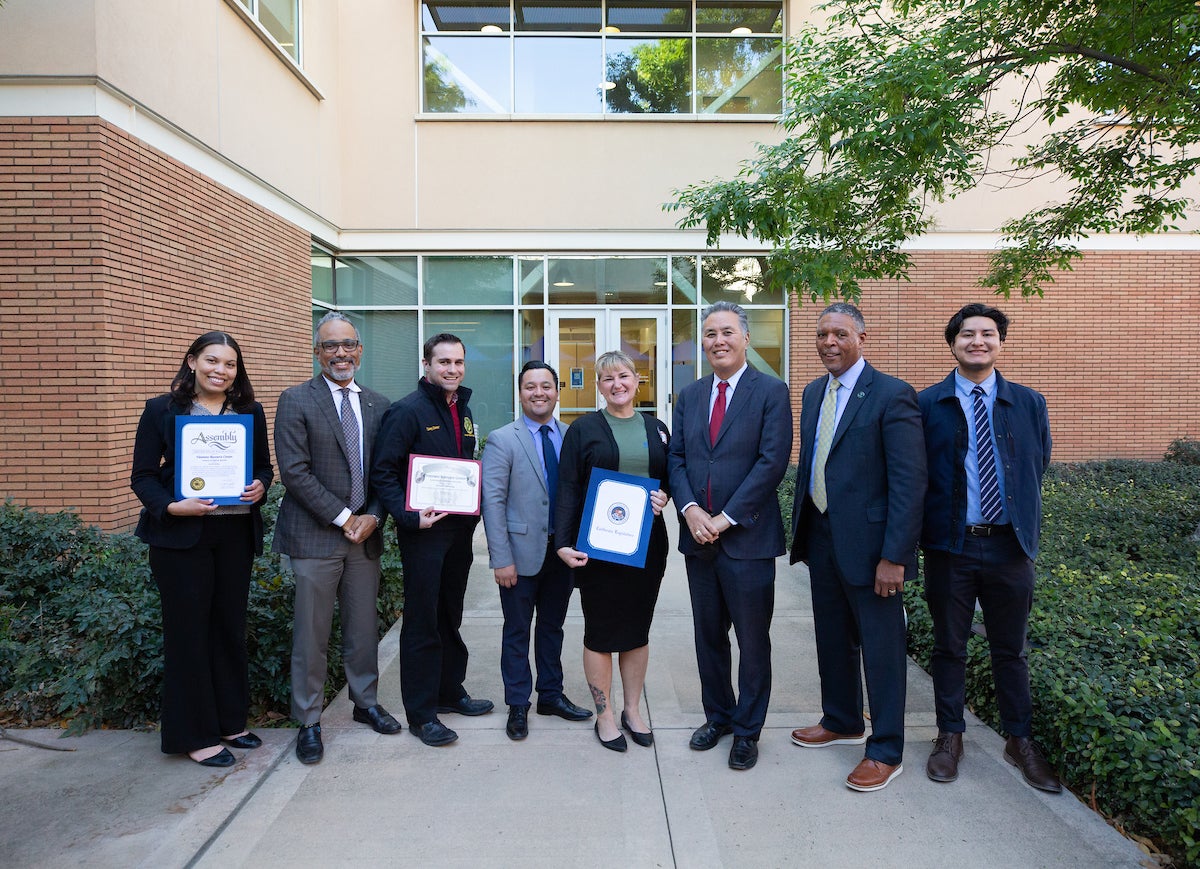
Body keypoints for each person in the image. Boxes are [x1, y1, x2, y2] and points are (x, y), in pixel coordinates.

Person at [919, 303, 1061, 793]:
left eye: (987, 334)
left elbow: (1035, 466)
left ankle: (1019, 740)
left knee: (1011, 649)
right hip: (950, 547)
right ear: (952, 343)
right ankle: (949, 737)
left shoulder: (1028, 403)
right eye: (967, 335)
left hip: (1010, 546)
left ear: (1000, 342)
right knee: (949, 647)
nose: (977, 342)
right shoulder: (927, 404)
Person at [788, 303, 926, 792]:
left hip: (874, 550)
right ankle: (843, 719)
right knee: (831, 636)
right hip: (823, 536)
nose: (829, 342)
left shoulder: (891, 395)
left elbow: (910, 484)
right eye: (822, 333)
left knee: (882, 649)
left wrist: (896, 557)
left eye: (840, 333)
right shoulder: (811, 392)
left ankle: (886, 749)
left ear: (862, 337)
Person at [130, 331, 273, 767]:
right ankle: (194, 734)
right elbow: (142, 476)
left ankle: (231, 721)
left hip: (233, 537)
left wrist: (259, 487)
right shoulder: (163, 409)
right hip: (180, 540)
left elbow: (264, 466)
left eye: (229, 364)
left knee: (228, 629)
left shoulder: (248, 410)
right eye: (212, 361)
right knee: (188, 634)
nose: (220, 371)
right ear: (192, 361)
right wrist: (172, 506)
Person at [667, 302, 792, 771]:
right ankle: (717, 716)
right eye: (709, 333)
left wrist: (725, 518)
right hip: (698, 540)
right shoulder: (691, 394)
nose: (718, 340)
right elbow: (676, 459)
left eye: (726, 332)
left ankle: (747, 729)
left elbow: (772, 462)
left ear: (745, 338)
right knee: (708, 637)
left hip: (748, 540)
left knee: (752, 640)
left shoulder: (770, 391)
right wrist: (691, 509)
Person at [274, 312, 401, 766]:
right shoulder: (295, 400)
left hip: (364, 537)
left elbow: (389, 473)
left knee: (363, 629)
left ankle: (365, 703)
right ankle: (309, 720)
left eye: (348, 344)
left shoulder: (380, 405)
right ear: (317, 352)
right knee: (312, 634)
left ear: (360, 350)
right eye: (331, 346)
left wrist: (375, 517)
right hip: (315, 537)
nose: (341, 353)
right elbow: (294, 472)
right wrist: (347, 516)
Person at [370, 333, 493, 747]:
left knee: (449, 614)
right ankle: (422, 714)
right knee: (423, 621)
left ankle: (448, 691)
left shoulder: (464, 410)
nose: (452, 369)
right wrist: (407, 517)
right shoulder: (406, 411)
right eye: (443, 362)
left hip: (458, 532)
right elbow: (383, 472)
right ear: (426, 364)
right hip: (423, 534)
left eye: (458, 362)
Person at [555, 351, 670, 753]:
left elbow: (670, 477)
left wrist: (665, 497)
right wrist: (563, 543)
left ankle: (632, 710)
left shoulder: (657, 429)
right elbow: (568, 486)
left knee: (637, 630)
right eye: (607, 379)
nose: (616, 384)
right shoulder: (584, 429)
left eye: (623, 376)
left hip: (647, 547)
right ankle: (605, 714)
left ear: (637, 380)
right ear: (598, 386)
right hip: (599, 548)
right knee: (601, 631)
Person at [481, 361, 593, 741]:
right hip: (519, 555)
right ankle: (517, 704)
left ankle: (550, 695)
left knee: (552, 628)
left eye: (546, 386)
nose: (539, 393)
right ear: (520, 392)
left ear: (558, 391)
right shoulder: (502, 438)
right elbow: (492, 501)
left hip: (562, 554)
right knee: (517, 631)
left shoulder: (571, 435)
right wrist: (501, 559)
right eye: (531, 386)